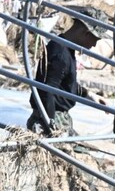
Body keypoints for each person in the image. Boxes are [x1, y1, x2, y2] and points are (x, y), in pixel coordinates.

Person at [27, 8, 105, 136]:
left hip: (59, 117)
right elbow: (47, 91)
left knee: (82, 149)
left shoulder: (66, 48)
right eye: (95, 40)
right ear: (86, 33)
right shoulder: (60, 53)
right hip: (49, 117)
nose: (94, 45)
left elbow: (65, 84)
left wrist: (90, 95)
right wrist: (50, 125)